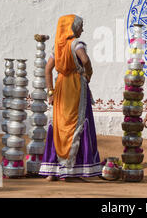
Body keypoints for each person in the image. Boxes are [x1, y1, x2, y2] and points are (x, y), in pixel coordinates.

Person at [39, 14, 101, 181]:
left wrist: (50, 92)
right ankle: (73, 170)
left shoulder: (57, 47)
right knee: (77, 124)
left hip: (60, 87)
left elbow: (47, 70)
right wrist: (88, 73)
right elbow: (85, 59)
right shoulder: (76, 44)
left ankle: (53, 170)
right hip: (75, 87)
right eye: (80, 26)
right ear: (72, 28)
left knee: (60, 125)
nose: (82, 29)